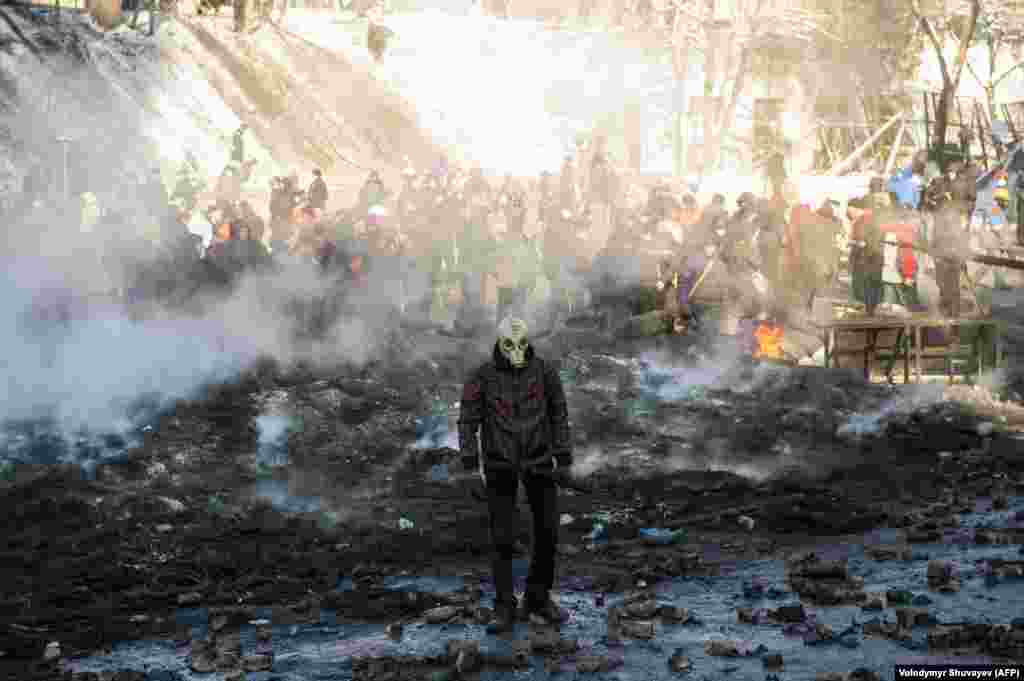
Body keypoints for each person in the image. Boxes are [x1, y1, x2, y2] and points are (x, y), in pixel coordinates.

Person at [457, 316, 573, 634]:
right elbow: (467, 420)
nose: (517, 351)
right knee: (502, 539)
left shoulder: (545, 372)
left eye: (522, 343)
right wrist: (469, 466)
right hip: (500, 464)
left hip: (539, 461)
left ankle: (537, 597)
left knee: (548, 532)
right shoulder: (482, 377)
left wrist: (563, 458)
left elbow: (559, 413)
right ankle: (504, 606)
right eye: (510, 344)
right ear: (499, 343)